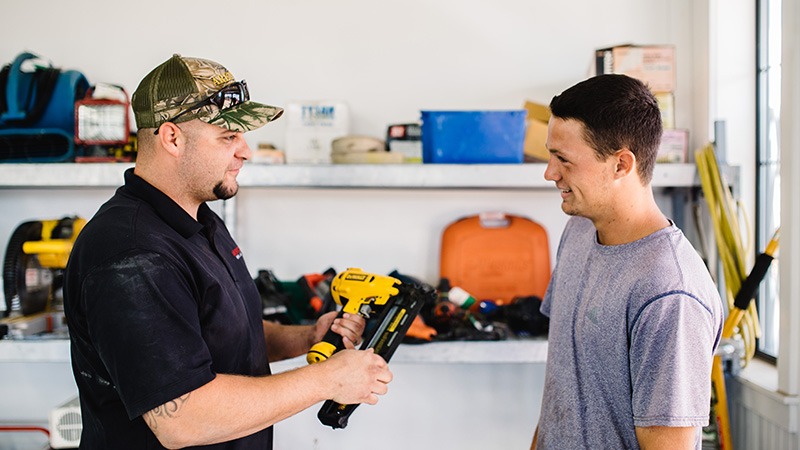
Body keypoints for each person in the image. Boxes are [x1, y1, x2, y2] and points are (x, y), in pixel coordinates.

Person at [63, 54, 392, 450]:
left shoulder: (201, 220)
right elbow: (183, 418)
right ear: (172, 138)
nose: (245, 151)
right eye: (228, 136)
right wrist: (330, 379)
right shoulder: (131, 254)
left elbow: (218, 331)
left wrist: (306, 337)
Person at [531, 74, 723, 450]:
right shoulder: (579, 233)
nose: (550, 173)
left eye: (563, 159)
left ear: (621, 164)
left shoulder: (670, 293)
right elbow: (562, 389)